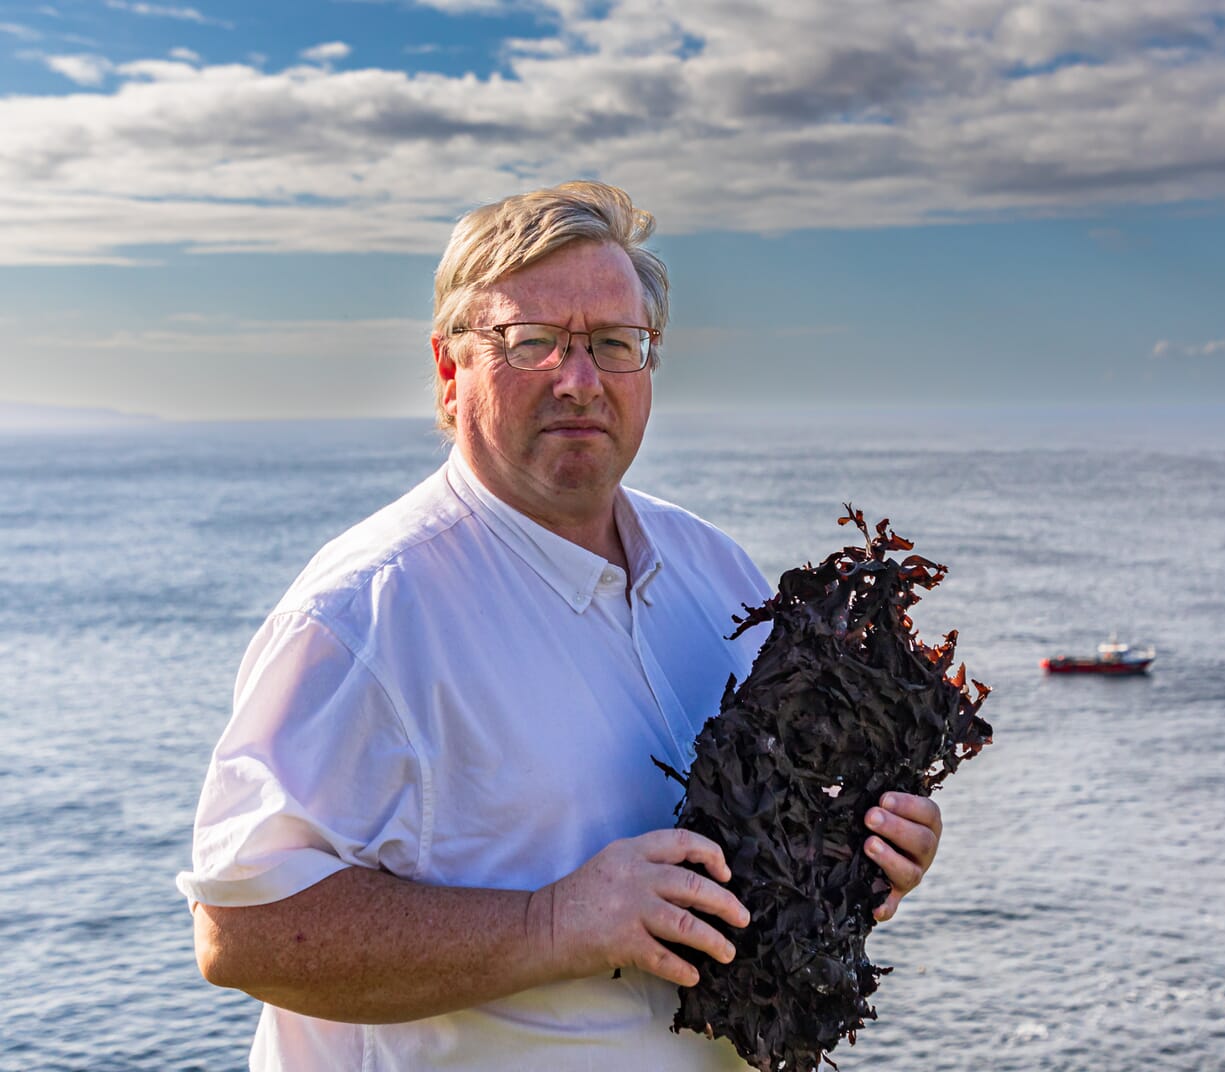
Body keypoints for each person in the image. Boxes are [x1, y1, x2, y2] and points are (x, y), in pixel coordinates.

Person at [177, 181, 944, 1070]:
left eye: (615, 343)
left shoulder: (715, 573)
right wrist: (552, 922)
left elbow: (775, 833)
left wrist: (863, 852)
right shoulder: (366, 616)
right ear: (449, 369)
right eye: (531, 342)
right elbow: (243, 932)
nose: (579, 380)